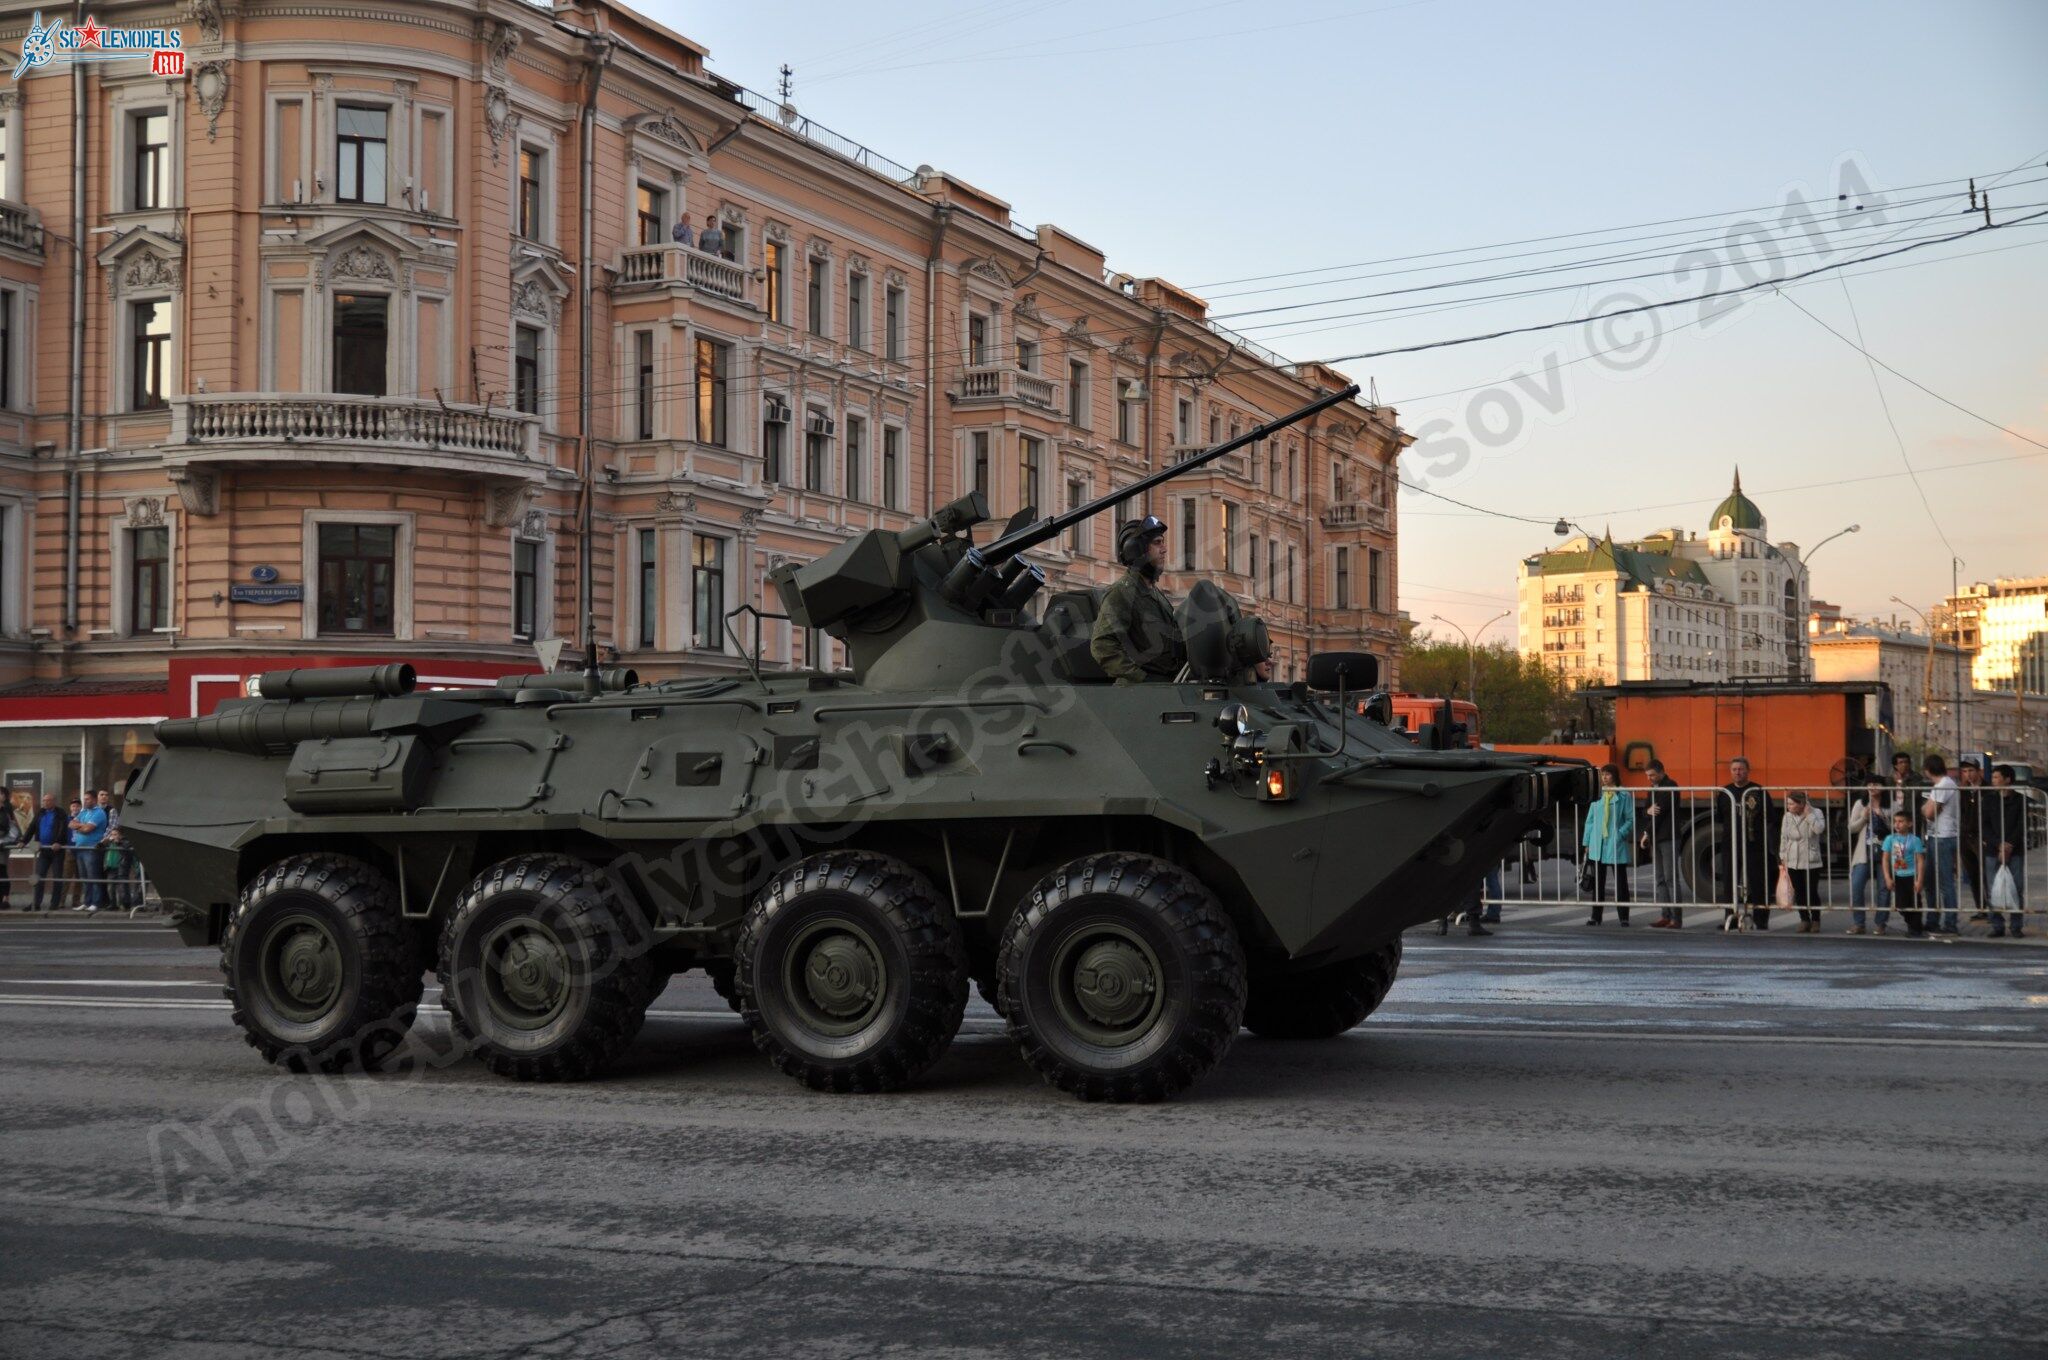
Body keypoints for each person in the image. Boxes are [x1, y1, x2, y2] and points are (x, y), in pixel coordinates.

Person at [1090, 515, 1186, 685]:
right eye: (1157, 543)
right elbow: (1102, 645)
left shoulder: (1156, 594)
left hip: (1167, 686)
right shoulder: (1122, 593)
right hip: (1138, 692)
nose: (1164, 549)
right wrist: (1140, 678)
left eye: (1162, 542)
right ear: (1136, 549)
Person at [1723, 756, 1775, 930]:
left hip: (1754, 844)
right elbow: (1721, 817)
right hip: (1731, 844)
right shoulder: (1725, 792)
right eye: (1734, 769)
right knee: (1730, 882)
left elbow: (1770, 817)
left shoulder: (1758, 791)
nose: (1737, 772)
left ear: (1748, 771)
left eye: (1741, 769)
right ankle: (1730, 917)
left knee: (1758, 882)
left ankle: (1761, 920)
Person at [1582, 763, 1635, 925]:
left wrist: (1620, 834)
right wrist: (1586, 842)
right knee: (1598, 883)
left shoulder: (1624, 795)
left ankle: (1624, 917)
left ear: (1615, 776)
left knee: (1621, 883)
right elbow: (1590, 821)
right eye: (1602, 774)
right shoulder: (1597, 794)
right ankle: (1595, 916)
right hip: (1597, 842)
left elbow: (1630, 819)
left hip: (1614, 842)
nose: (1604, 777)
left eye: (1607, 774)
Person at [1641, 759, 1685, 928]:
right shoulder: (1653, 788)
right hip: (1657, 837)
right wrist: (1648, 811)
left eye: (1652, 775)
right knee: (1660, 878)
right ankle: (1665, 915)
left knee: (1670, 878)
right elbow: (1646, 811)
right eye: (1647, 775)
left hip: (1669, 837)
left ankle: (1676, 918)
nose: (1649, 778)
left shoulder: (1671, 786)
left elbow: (1659, 812)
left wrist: (1647, 832)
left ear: (1661, 772)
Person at [1920, 755, 1961, 935]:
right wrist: (1928, 807)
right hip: (1935, 836)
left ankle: (1950, 924)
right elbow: (1929, 810)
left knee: (1945, 882)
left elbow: (1928, 812)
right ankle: (1932, 920)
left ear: (1928, 770)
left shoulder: (1944, 784)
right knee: (1930, 881)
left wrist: (1927, 806)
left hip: (1944, 836)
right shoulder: (1941, 785)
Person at [1986, 764, 2028, 939]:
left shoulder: (2020, 800)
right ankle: (1997, 925)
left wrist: (2009, 845)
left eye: (1997, 777)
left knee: (2016, 888)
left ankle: (2016, 925)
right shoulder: (1988, 799)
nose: (1993, 781)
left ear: (2007, 779)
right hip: (1993, 850)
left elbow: (2022, 825)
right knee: (1992, 888)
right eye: (1993, 777)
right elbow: (1985, 825)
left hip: (2015, 850)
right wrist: (1999, 845)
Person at [1779, 790, 1829, 932]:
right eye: (1787, 803)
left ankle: (1816, 920)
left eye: (1791, 804)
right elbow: (1783, 837)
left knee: (1811, 891)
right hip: (1792, 859)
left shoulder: (1816, 812)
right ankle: (1804, 919)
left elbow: (1819, 829)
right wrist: (1783, 856)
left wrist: (1809, 815)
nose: (1788, 806)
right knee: (1799, 892)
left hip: (1810, 859)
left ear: (1801, 804)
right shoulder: (1787, 816)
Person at [1847, 781, 1892, 935]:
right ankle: (1859, 923)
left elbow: (1899, 827)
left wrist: (1883, 816)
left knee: (1884, 888)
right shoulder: (1860, 804)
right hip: (1864, 852)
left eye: (1877, 784)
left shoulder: (1891, 805)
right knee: (1856, 885)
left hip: (1885, 853)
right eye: (1870, 784)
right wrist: (1864, 818)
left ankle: (1881, 923)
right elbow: (1851, 828)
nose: (1872, 787)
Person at [1881, 808, 1929, 937]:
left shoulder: (1915, 840)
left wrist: (1919, 880)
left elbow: (1920, 860)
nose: (1897, 824)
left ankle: (1915, 929)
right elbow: (1885, 859)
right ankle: (1913, 924)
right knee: (1901, 905)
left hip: (1912, 875)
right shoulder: (1890, 839)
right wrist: (1887, 877)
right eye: (1895, 821)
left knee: (1915, 903)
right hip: (1898, 876)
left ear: (1909, 824)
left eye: (1901, 821)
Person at [1957, 758, 1988, 922]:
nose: (1968, 774)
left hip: (1982, 837)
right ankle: (1980, 908)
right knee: (1973, 874)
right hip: (1965, 837)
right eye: (1964, 771)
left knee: (1987, 874)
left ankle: (1992, 909)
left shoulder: (1987, 789)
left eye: (1971, 771)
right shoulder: (1963, 790)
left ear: (1979, 771)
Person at [68, 791, 108, 913]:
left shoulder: (99, 813)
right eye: (84, 799)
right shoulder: (84, 812)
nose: (85, 801)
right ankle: (87, 902)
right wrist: (82, 826)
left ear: (94, 800)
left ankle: (96, 902)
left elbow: (88, 829)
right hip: (80, 848)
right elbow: (71, 824)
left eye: (87, 799)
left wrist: (79, 827)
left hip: (91, 849)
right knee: (84, 877)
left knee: (93, 876)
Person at [28, 793, 69, 913]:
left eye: (48, 800)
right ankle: (36, 903)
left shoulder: (60, 813)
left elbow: (63, 829)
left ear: (54, 801)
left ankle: (54, 903)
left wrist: (58, 842)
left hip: (56, 850)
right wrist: (23, 840)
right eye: (44, 800)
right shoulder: (40, 813)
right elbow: (32, 827)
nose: (45, 803)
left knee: (57, 877)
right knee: (39, 876)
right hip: (44, 850)